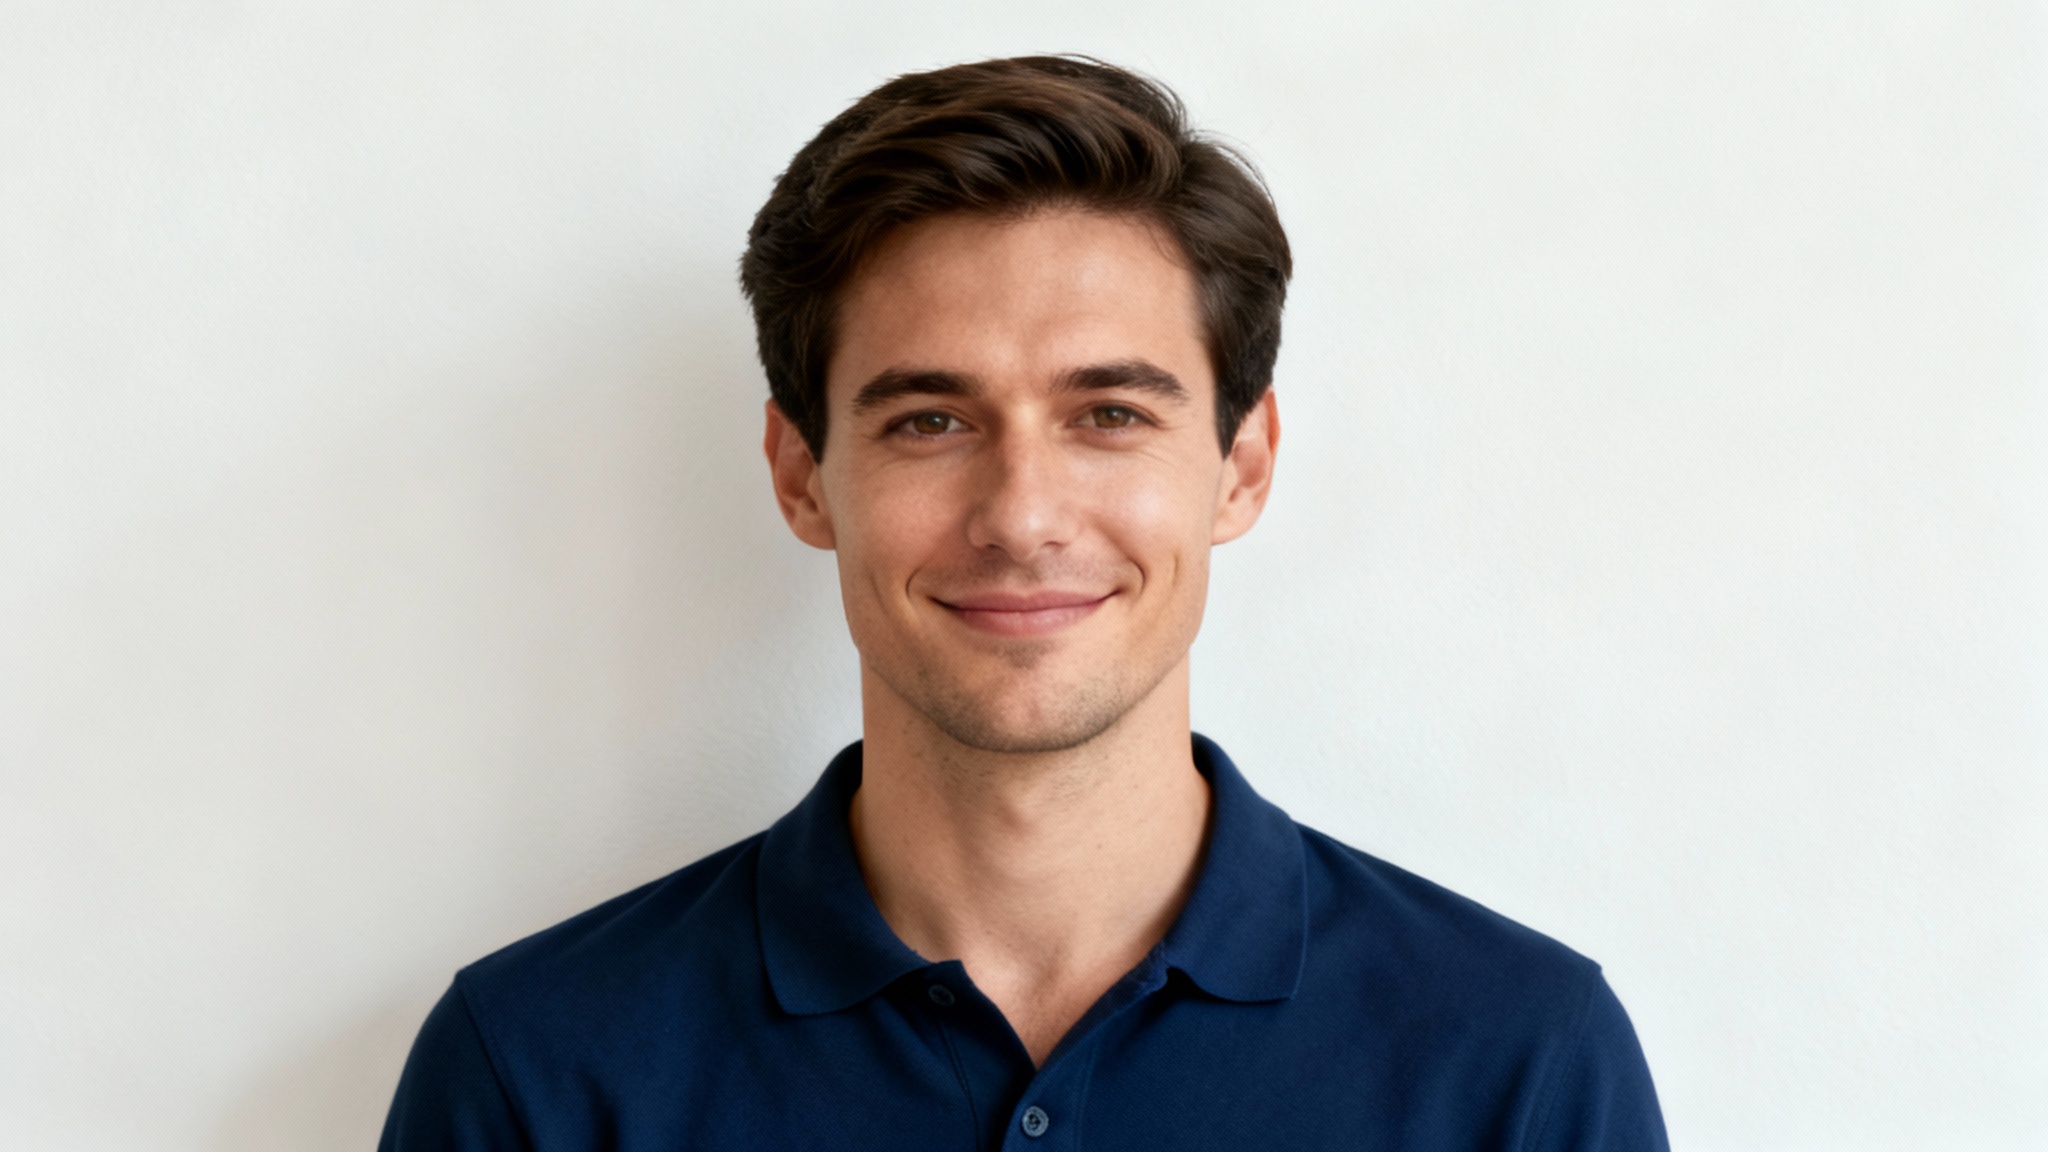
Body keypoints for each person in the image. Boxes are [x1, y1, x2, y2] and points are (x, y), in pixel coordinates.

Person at [380, 55, 1668, 1150]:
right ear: (802, 475)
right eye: (930, 421)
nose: (1023, 515)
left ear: (1241, 465)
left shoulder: (1518, 1060)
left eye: (1109, 415)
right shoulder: (536, 1068)